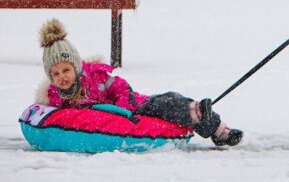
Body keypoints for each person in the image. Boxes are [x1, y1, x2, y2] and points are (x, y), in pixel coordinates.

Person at [38, 19, 243, 147]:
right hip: (115, 120)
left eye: (66, 70)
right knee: (171, 110)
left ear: (76, 67)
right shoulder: (55, 97)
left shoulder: (95, 77)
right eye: (55, 73)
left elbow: (121, 87)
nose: (62, 77)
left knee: (169, 101)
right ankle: (201, 118)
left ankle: (218, 129)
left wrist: (123, 110)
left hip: (136, 106)